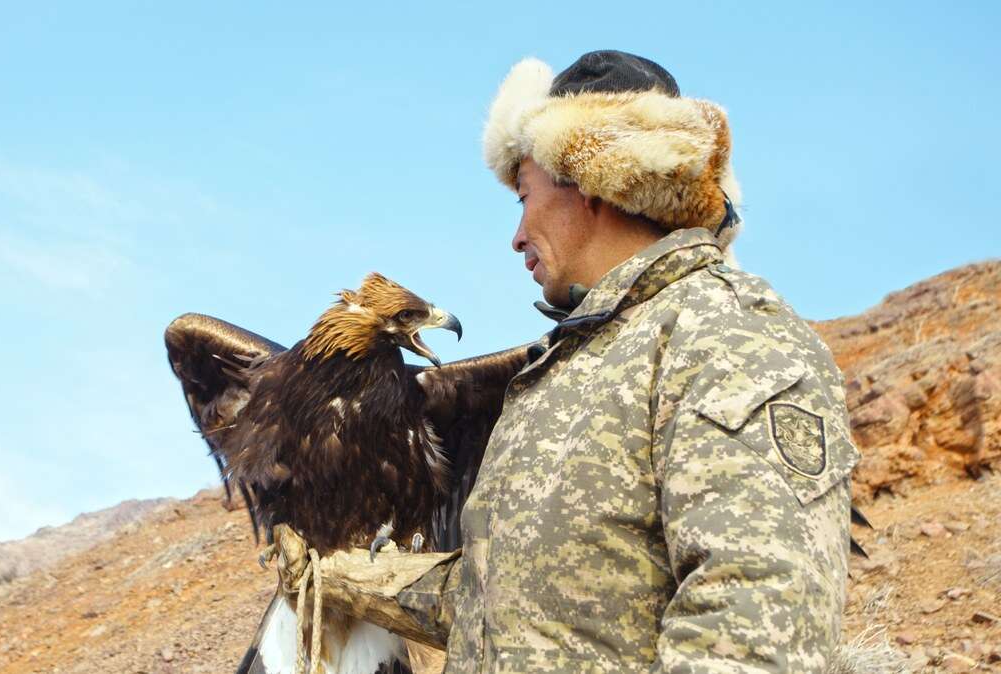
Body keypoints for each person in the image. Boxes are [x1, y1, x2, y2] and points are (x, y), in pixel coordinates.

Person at [272, 50, 859, 673]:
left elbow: (758, 626)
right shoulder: (561, 375)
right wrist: (343, 579)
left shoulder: (723, 335)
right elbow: (503, 606)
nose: (517, 234)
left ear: (589, 183)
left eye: (524, 195)